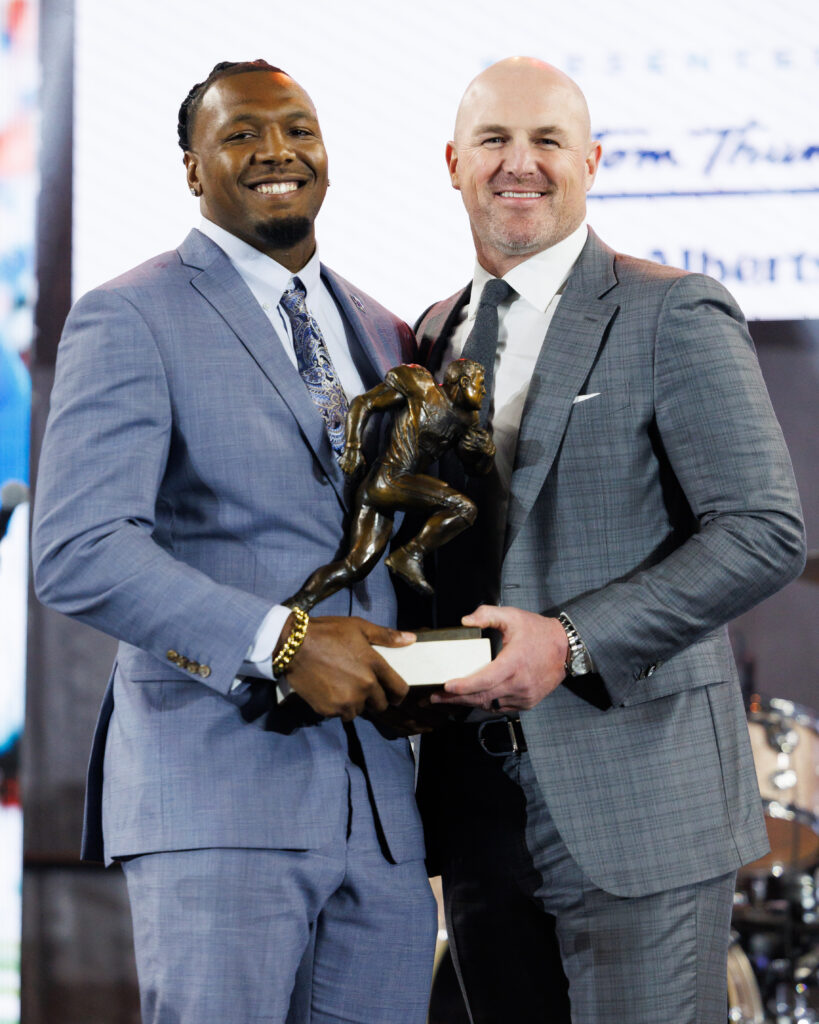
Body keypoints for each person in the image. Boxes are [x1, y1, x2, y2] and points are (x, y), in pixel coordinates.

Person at [31, 60, 437, 1024]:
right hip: (217, 791)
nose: (276, 152)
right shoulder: (132, 314)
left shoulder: (382, 329)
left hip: (381, 812)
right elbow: (79, 548)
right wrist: (284, 644)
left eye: (297, 128)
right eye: (241, 134)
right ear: (190, 168)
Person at [415, 57, 806, 1023]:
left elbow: (764, 531)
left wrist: (572, 638)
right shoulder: (431, 336)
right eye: (495, 141)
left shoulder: (671, 310)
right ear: (453, 162)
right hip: (471, 808)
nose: (520, 164)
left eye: (547, 140)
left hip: (640, 800)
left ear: (588, 161)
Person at [287, 358, 495, 611]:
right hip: (389, 479)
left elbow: (474, 469)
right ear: (464, 382)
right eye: (481, 384)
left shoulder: (467, 419)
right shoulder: (420, 385)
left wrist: (485, 455)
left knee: (356, 565)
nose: (484, 391)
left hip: (388, 489)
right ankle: (411, 554)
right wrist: (353, 446)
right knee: (465, 509)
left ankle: (293, 608)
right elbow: (365, 402)